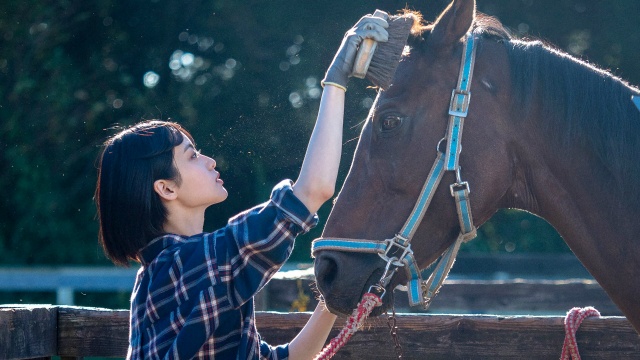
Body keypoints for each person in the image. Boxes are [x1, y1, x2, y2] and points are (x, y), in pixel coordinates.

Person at [94, 14, 389, 360]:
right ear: (166, 189)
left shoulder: (162, 276)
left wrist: (332, 302)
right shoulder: (191, 264)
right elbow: (314, 190)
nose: (210, 162)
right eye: (192, 157)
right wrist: (335, 81)